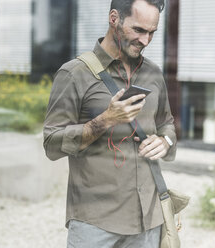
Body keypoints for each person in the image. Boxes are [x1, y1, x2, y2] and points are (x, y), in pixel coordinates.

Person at [43, 0, 177, 247]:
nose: (146, 41)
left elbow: (167, 124)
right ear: (114, 18)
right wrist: (105, 120)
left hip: (149, 218)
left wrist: (165, 141)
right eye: (138, 30)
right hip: (95, 223)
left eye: (152, 33)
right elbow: (51, 144)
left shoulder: (154, 74)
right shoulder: (74, 74)